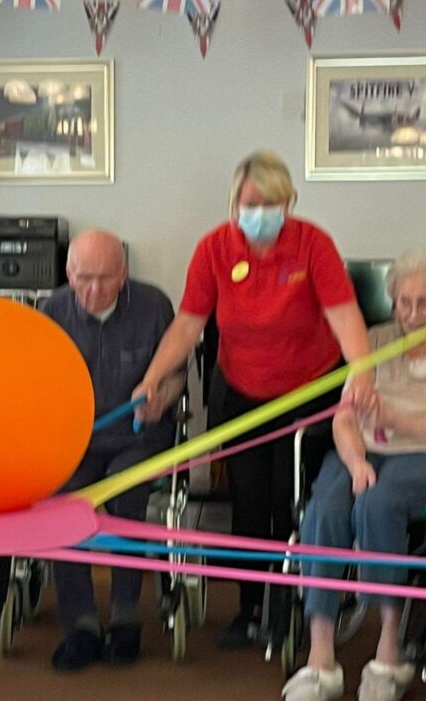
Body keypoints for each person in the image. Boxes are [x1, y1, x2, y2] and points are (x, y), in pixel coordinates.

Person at [134, 150, 372, 648]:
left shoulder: (313, 244)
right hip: (242, 390)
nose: (258, 213)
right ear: (234, 203)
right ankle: (251, 609)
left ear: (288, 203)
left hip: (309, 390)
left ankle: (299, 603)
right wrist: (152, 379)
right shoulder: (215, 248)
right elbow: (189, 324)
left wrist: (362, 373)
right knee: (248, 501)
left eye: (268, 204)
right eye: (249, 204)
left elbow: (344, 315)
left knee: (293, 499)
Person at [282, 250, 426, 701]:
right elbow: (344, 418)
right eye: (403, 302)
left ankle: (390, 651)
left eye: (423, 303)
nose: (411, 313)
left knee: (378, 504)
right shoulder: (373, 342)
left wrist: (394, 418)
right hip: (363, 449)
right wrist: (354, 463)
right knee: (325, 508)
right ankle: (321, 656)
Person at [41, 230, 184, 672]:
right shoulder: (51, 312)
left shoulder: (154, 307)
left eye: (105, 278)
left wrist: (161, 398)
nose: (93, 289)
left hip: (138, 436)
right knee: (63, 503)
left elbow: (178, 376)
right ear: (69, 274)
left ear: (124, 274)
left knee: (126, 497)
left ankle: (125, 616)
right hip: (77, 441)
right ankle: (80, 623)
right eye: (84, 278)